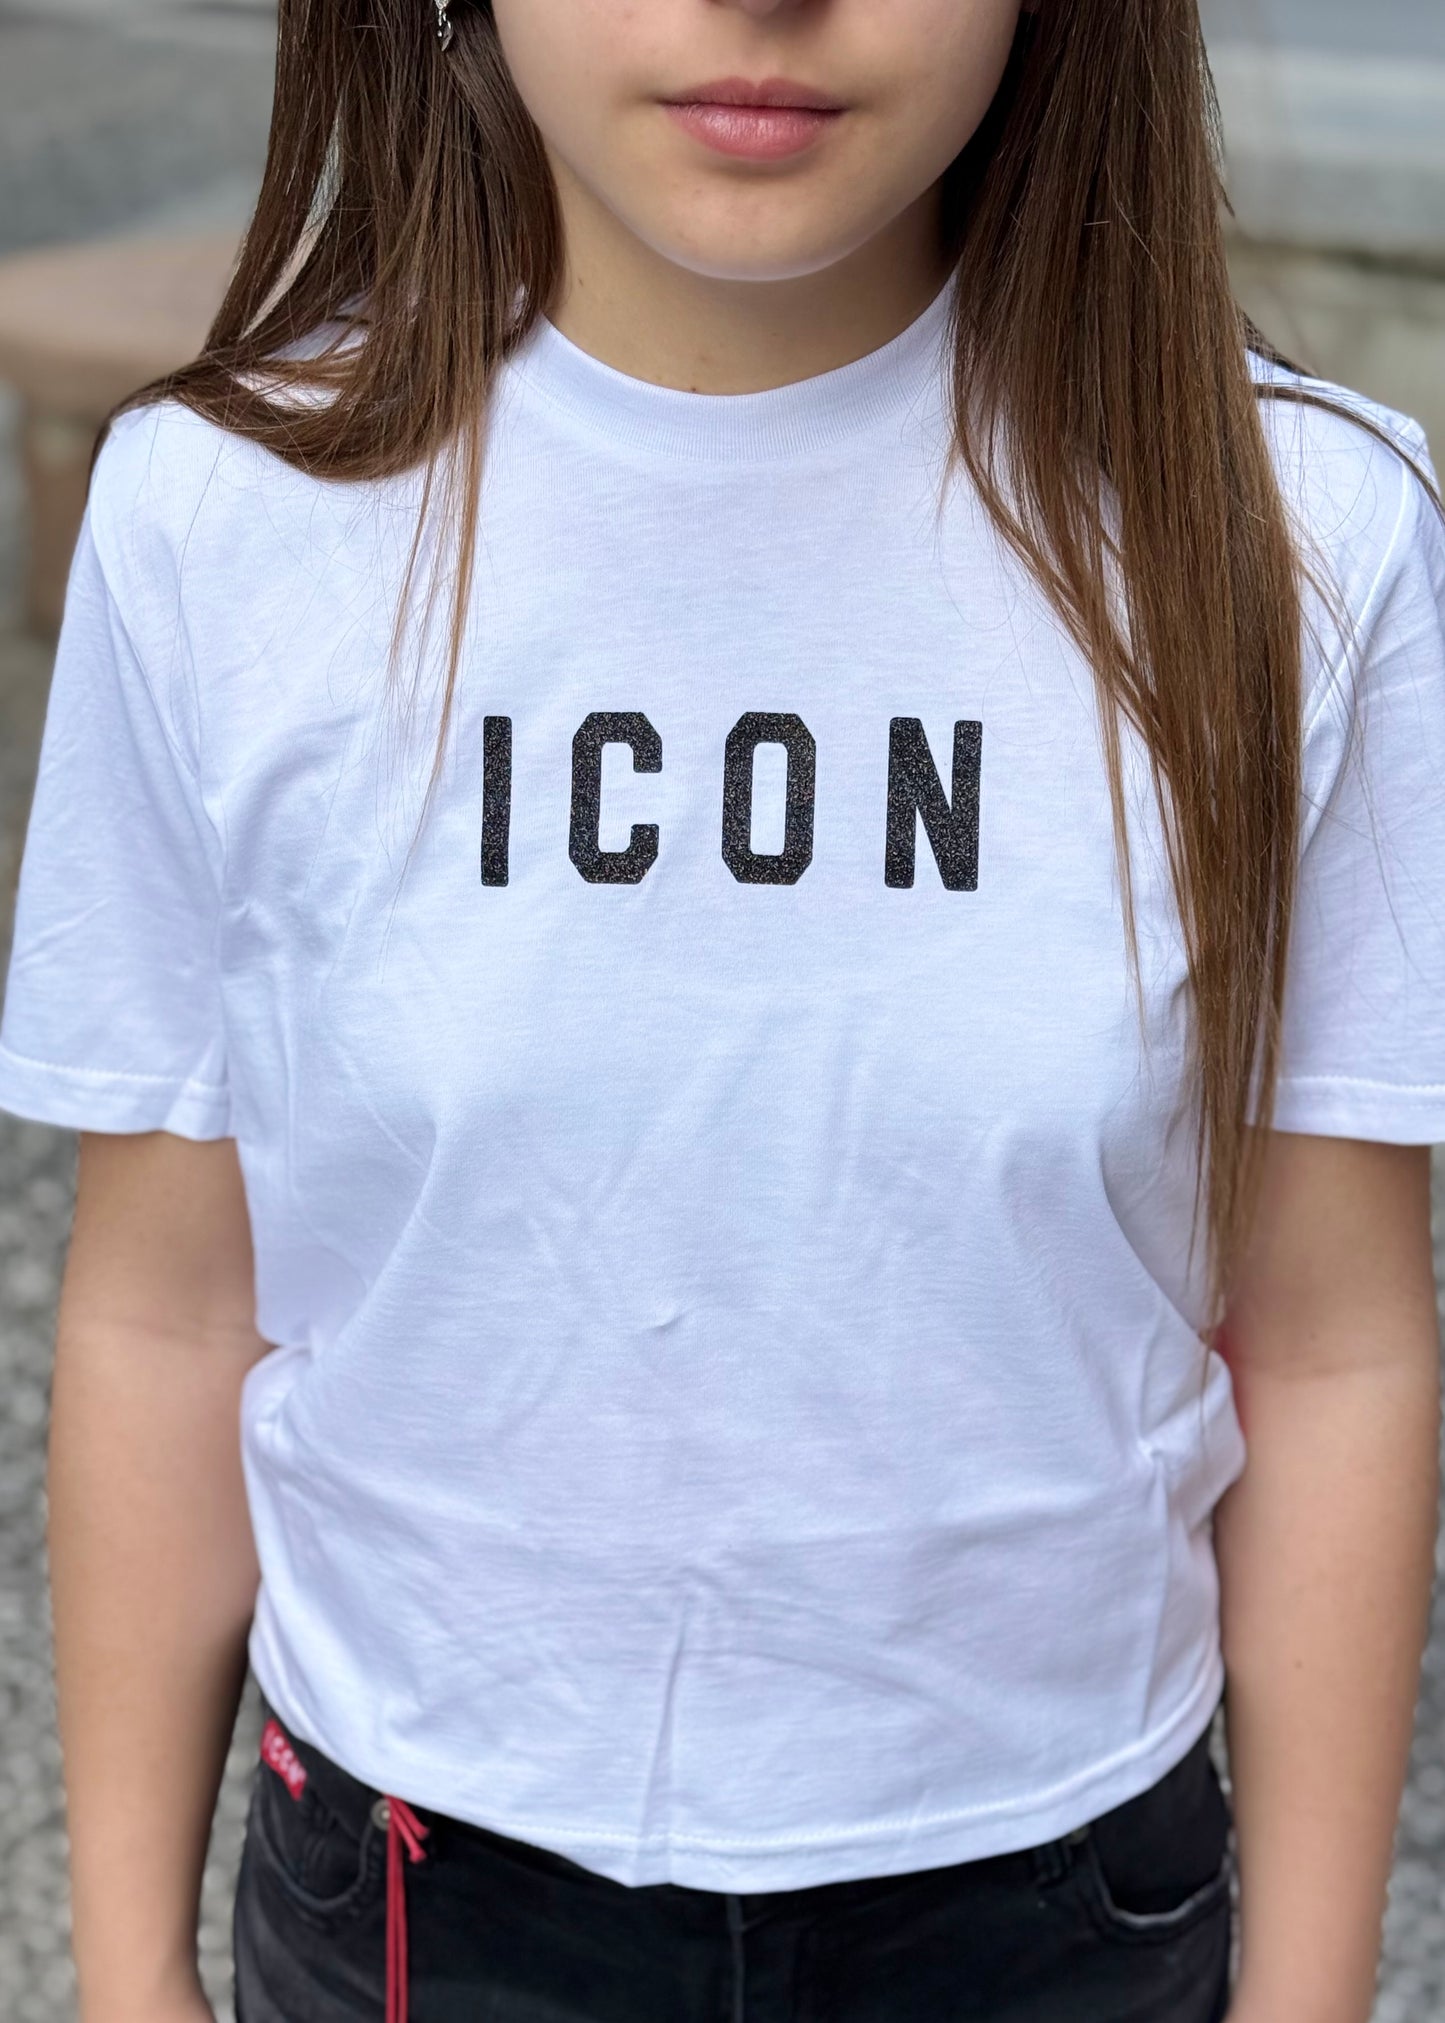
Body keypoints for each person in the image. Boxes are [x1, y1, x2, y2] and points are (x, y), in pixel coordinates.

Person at [3, 0, 1444, 2018]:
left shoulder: (1302, 540)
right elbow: (166, 1306)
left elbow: (1335, 1339)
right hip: (422, 1892)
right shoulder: (218, 519)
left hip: (1052, 1911)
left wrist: (1307, 1998)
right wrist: (125, 1975)